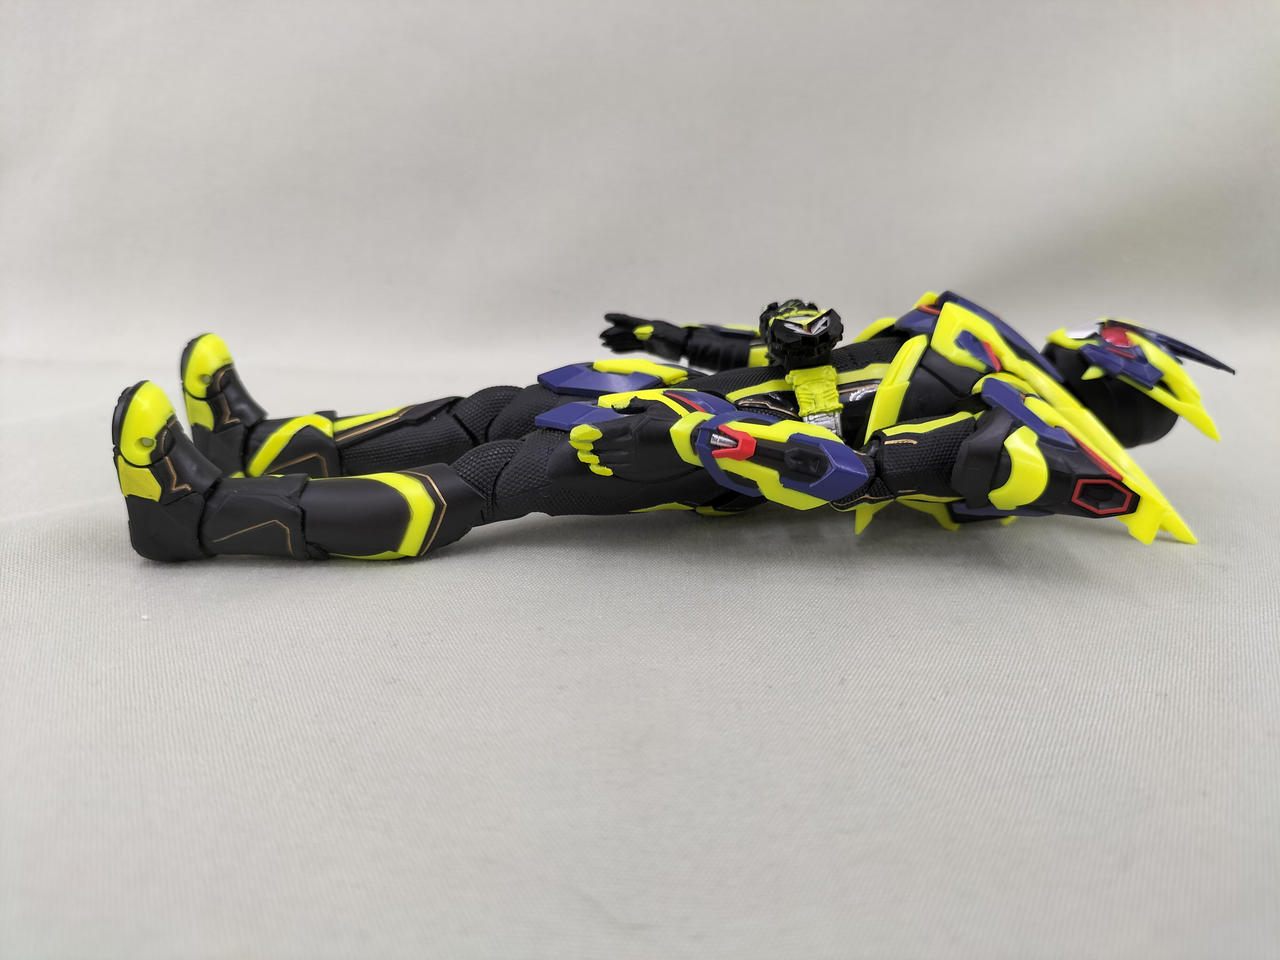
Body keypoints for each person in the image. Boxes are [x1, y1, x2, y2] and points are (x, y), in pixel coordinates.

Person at [110, 291, 1233, 562]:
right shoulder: (973, 347)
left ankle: (203, 516)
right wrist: (684, 339)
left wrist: (718, 444)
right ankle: (252, 438)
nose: (1089, 341)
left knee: (498, 472)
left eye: (1108, 352)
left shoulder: (1022, 429)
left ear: (1119, 389)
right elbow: (817, 364)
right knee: (489, 407)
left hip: (703, 455)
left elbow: (864, 473)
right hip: (696, 407)